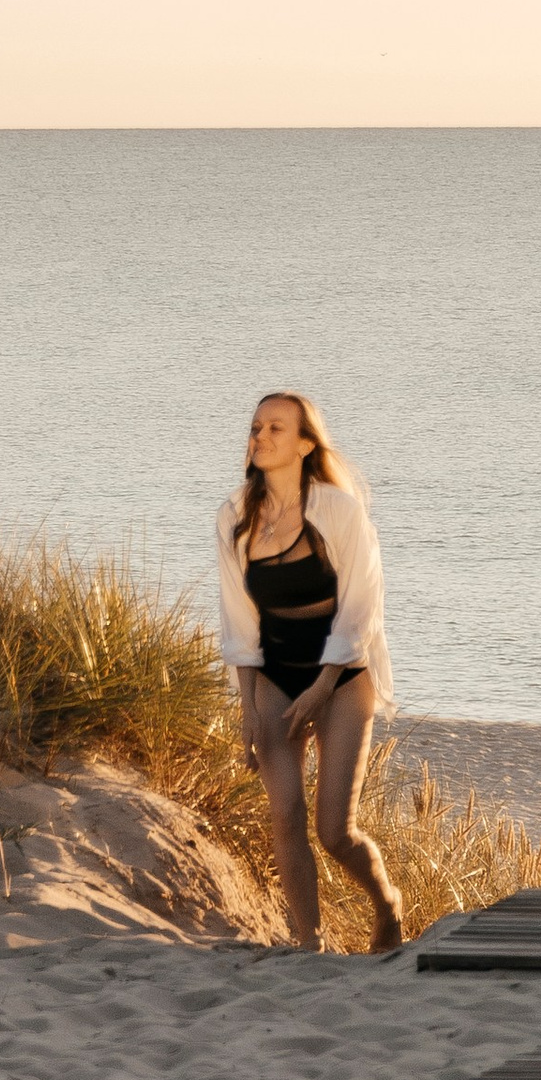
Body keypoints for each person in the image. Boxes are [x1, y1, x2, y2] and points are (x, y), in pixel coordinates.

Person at [215, 390, 405, 953]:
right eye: (255, 427)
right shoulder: (234, 517)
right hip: (275, 676)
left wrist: (323, 688)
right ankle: (309, 945)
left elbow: (361, 608)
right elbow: (239, 622)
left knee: (334, 831)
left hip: (341, 677)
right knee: (286, 815)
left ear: (304, 445)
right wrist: (249, 710)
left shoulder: (338, 511)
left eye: (276, 428)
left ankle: (387, 904)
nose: (260, 436)